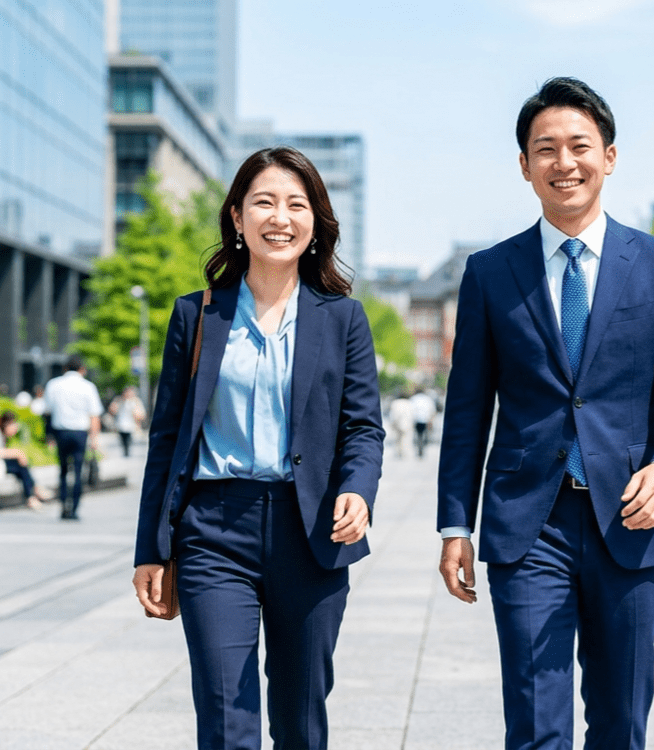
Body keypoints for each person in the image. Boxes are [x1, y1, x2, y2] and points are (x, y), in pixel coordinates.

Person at [436, 78, 654, 750]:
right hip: (526, 525)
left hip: (630, 514)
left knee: (621, 721)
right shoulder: (489, 272)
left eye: (579, 146)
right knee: (535, 722)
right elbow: (468, 409)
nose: (564, 162)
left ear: (610, 157)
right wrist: (455, 523)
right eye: (546, 149)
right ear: (525, 165)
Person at [132, 147, 385, 750]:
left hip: (311, 531)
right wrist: (151, 546)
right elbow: (166, 438)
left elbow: (364, 428)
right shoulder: (198, 315)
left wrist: (357, 489)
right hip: (215, 533)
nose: (281, 217)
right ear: (237, 218)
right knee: (225, 714)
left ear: (316, 223)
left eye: (296, 204)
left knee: (300, 716)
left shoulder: (342, 319)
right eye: (264, 202)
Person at [44, 356, 103, 520]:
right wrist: (94, 439)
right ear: (82, 369)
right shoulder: (88, 387)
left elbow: (47, 412)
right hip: (79, 433)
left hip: (60, 431)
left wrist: (49, 436)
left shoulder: (53, 385)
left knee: (63, 470)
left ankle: (63, 505)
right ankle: (74, 508)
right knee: (77, 471)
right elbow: (94, 415)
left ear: (65, 369)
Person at [0, 410, 50, 510]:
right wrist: (17, 453)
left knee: (20, 466)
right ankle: (33, 493)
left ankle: (32, 494)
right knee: (20, 466)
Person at [109, 386, 146, 457]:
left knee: (129, 441)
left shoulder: (136, 402)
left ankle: (128, 453)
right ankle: (126, 453)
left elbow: (141, 415)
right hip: (121, 425)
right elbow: (112, 411)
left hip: (132, 426)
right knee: (123, 441)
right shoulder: (119, 400)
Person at [409, 388, 436, 458]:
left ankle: (420, 448)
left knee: (418, 435)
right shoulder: (428, 399)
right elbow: (432, 410)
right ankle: (422, 448)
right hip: (426, 419)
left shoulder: (413, 398)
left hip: (416, 419)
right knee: (425, 435)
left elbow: (410, 410)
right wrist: (431, 420)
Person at [388, 390, 414, 459]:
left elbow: (392, 414)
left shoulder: (395, 403)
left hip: (396, 423)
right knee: (405, 438)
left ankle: (398, 452)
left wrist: (391, 423)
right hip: (407, 423)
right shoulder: (409, 403)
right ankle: (404, 452)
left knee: (397, 439)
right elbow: (412, 414)